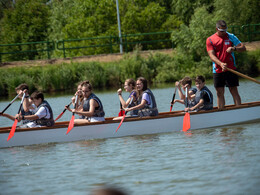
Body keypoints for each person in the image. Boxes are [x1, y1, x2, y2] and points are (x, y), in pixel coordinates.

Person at [206, 20, 246, 109]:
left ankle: (239, 110)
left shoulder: (231, 36)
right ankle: (221, 112)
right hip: (217, 69)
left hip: (231, 68)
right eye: (222, 31)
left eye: (225, 30)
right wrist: (221, 64)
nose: (224, 32)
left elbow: (243, 48)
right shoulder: (210, 40)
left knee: (233, 90)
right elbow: (211, 55)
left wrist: (234, 48)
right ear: (217, 29)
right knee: (219, 92)